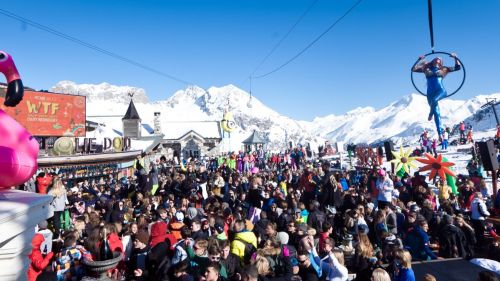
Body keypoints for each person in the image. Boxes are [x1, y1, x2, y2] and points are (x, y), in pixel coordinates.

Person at [412, 53, 461, 135]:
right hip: (430, 93)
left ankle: (430, 113)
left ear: (441, 62)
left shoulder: (444, 69)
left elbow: (458, 68)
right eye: (436, 58)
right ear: (433, 60)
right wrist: (419, 60)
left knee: (434, 101)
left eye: (440, 59)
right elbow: (413, 69)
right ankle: (440, 134)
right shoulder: (426, 69)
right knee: (437, 113)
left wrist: (455, 58)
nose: (438, 58)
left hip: (441, 91)